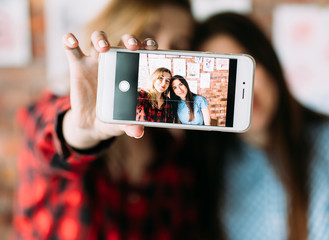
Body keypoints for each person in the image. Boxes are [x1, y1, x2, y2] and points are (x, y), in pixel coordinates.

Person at [13, 0, 215, 239]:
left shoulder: (175, 154)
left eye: (180, 44)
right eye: (149, 33)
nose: (164, 50)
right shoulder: (52, 113)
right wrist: (84, 131)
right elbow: (51, 141)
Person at [192, 13, 329, 240]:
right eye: (218, 78)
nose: (238, 89)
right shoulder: (206, 168)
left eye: (243, 65)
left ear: (268, 60)